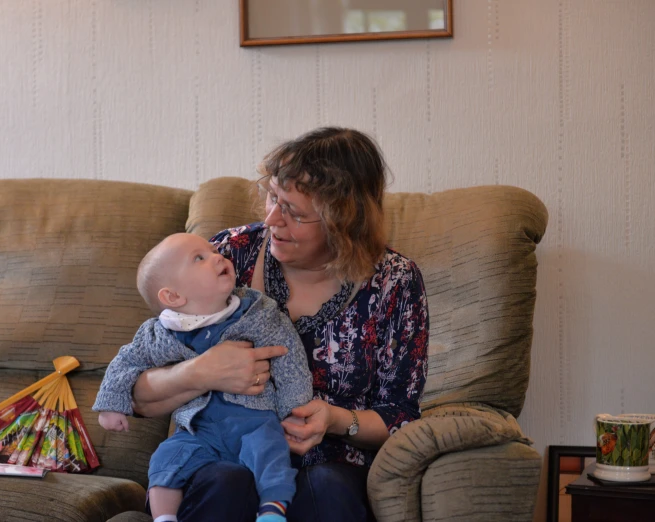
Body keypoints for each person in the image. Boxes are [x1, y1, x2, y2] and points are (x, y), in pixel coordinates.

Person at [131, 127, 430, 522]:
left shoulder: (394, 281)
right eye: (273, 197)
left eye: (294, 211)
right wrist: (200, 372)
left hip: (331, 464)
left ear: (343, 222)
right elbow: (134, 389)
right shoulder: (225, 256)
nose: (272, 219)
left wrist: (335, 419)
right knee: (226, 482)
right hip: (220, 451)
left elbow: (402, 415)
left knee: (327, 490)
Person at [93, 232, 313, 522]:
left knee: (272, 455)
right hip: (199, 430)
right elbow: (127, 360)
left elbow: (288, 355)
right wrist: (111, 404)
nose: (218, 256)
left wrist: (295, 409)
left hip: (254, 421)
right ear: (173, 297)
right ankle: (164, 517)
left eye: (213, 251)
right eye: (200, 258)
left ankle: (272, 511)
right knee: (165, 459)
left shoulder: (254, 313)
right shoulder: (163, 332)